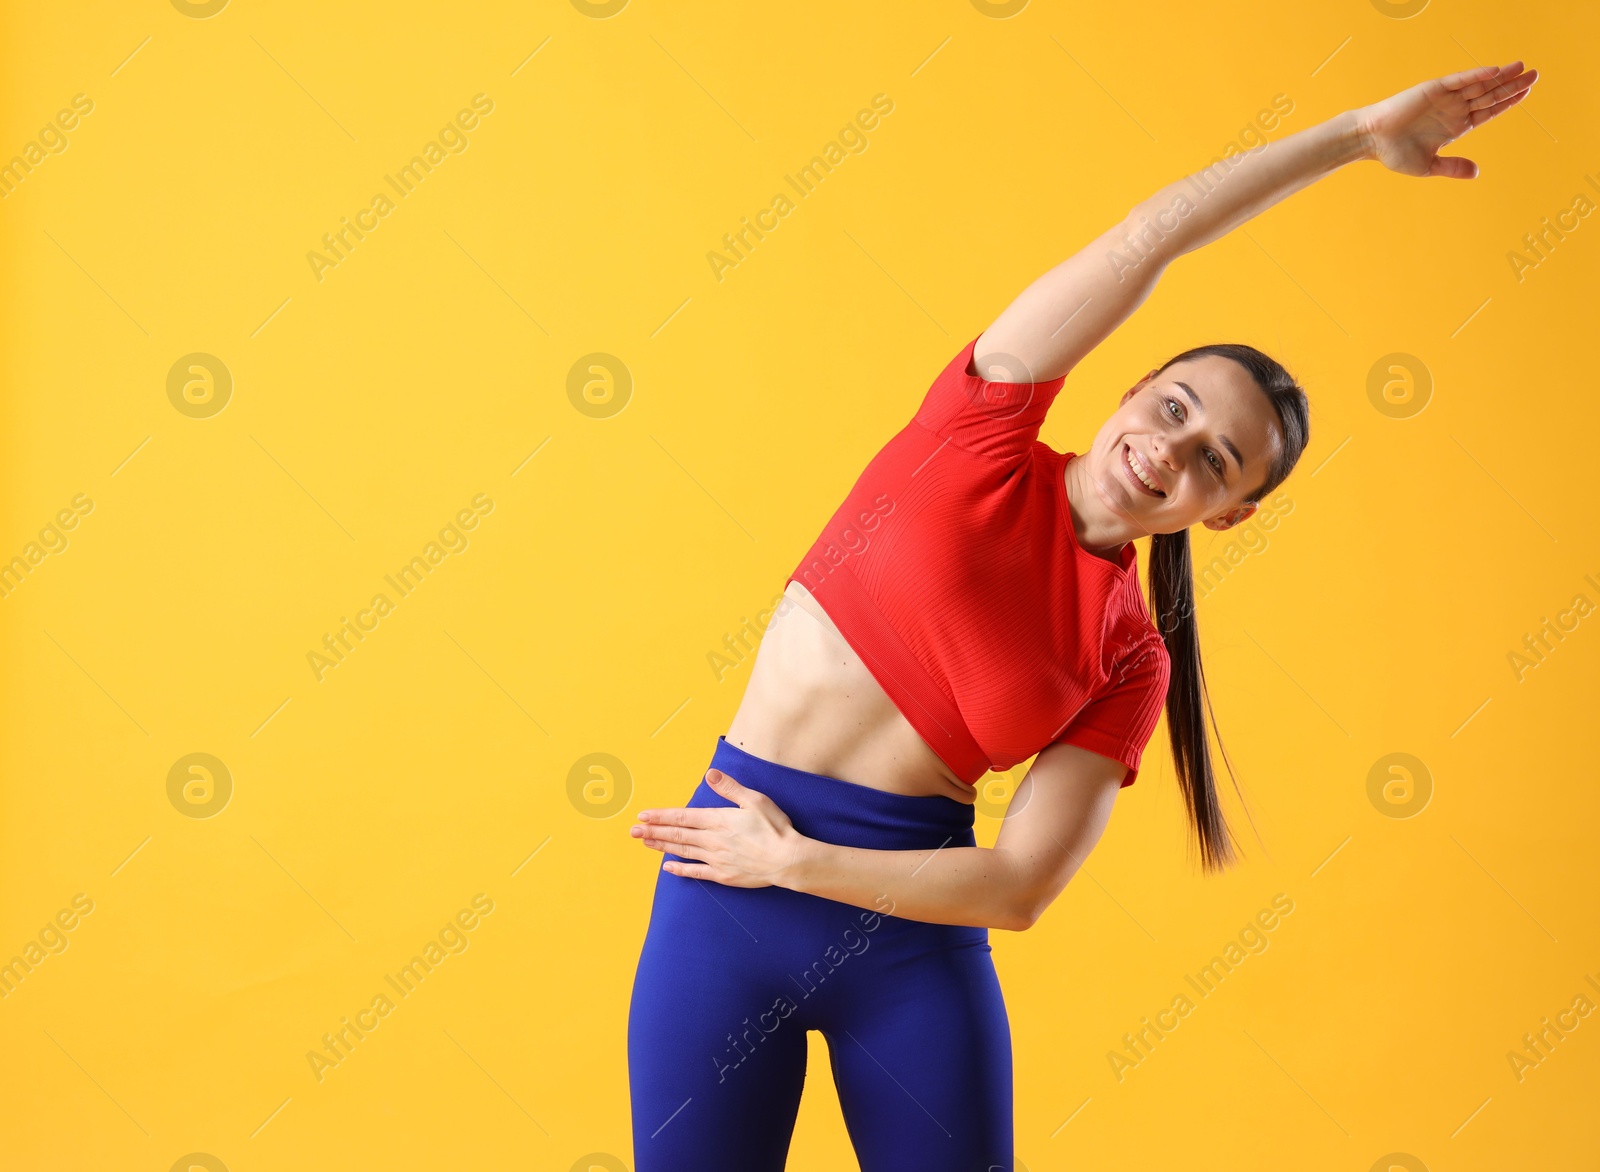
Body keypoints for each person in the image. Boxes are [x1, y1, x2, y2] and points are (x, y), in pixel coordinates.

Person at [626, 61, 1537, 1171]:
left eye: (1215, 458)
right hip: (722, 910)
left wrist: (792, 859)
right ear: (1122, 389)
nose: (1171, 447)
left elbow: (1016, 889)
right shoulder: (978, 429)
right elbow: (1149, 236)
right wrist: (1350, 136)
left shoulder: (1132, 655)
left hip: (898, 943)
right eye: (1173, 405)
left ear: (1229, 511)